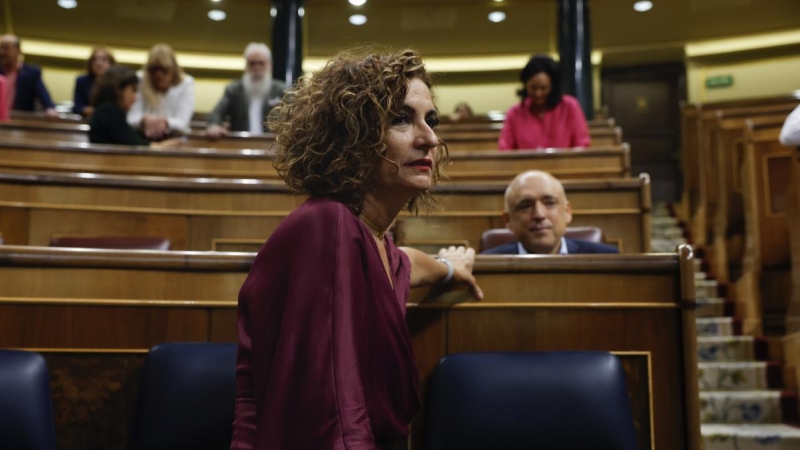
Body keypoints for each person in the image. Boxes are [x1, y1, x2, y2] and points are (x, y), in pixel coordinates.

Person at [231, 49, 483, 450]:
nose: (430, 138)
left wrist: (450, 269)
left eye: (430, 120)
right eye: (401, 119)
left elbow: (403, 267)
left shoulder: (369, 237)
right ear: (352, 135)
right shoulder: (326, 226)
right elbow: (335, 415)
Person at [482, 170, 618, 255]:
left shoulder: (609, 260)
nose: (539, 215)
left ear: (567, 212)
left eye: (550, 203)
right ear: (508, 220)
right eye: (525, 206)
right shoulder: (485, 267)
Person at [498, 55, 590, 150]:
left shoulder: (570, 107)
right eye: (533, 88)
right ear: (525, 85)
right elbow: (505, 149)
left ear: (552, 87)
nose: (538, 93)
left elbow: (582, 144)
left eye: (543, 88)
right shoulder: (514, 113)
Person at [88, 65, 183, 149]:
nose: (135, 97)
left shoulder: (107, 110)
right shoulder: (109, 112)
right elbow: (136, 146)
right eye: (133, 90)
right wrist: (164, 146)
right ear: (119, 90)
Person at [206, 43, 286, 139]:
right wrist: (214, 125)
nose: (257, 67)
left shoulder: (281, 90)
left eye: (261, 63)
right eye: (252, 63)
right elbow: (216, 113)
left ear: (270, 65)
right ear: (246, 65)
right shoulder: (234, 90)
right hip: (240, 144)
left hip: (272, 144)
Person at [127, 44, 194, 140]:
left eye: (164, 69)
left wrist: (165, 123)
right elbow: (131, 118)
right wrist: (143, 120)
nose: (158, 74)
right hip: (142, 138)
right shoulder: (140, 80)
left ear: (173, 70)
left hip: (175, 140)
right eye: (154, 69)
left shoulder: (186, 84)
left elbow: (183, 122)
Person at [0, 34, 58, 117]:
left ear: (18, 51)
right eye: (1, 48)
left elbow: (42, 93)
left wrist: (50, 108)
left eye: (6, 49)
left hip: (20, 121)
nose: (2, 52)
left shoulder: (32, 73)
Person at [73, 46, 115, 117]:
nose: (99, 63)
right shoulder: (82, 81)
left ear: (111, 63)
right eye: (95, 59)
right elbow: (77, 107)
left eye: (104, 59)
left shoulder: (116, 83)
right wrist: (86, 110)